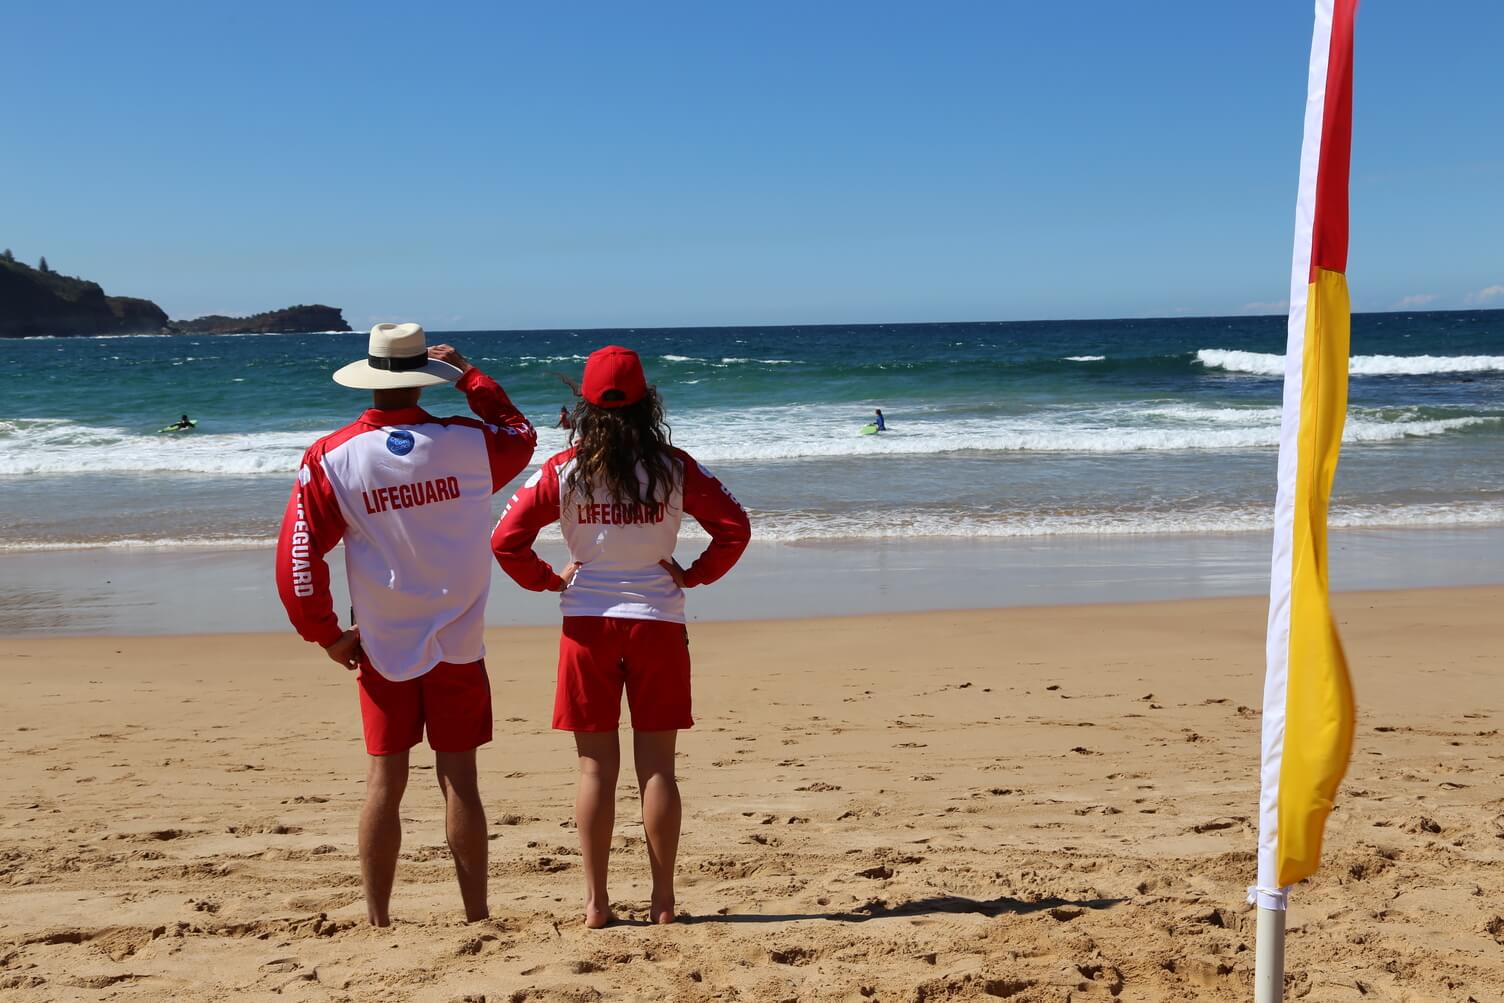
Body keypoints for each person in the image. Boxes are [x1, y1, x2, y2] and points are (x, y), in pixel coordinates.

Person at [275, 322, 536, 927]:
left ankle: (378, 917)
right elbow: (521, 435)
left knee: (384, 782)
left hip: (382, 641)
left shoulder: (333, 456)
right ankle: (476, 913)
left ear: (369, 378)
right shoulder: (470, 444)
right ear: (424, 377)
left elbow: (298, 554)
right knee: (460, 781)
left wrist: (326, 632)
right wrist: (471, 377)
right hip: (459, 638)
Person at [492, 345, 751, 929]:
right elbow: (735, 528)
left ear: (583, 404)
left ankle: (597, 904)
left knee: (593, 772)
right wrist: (694, 572)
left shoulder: (565, 470)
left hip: (587, 627)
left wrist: (545, 580)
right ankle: (663, 902)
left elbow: (505, 539)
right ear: (647, 401)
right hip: (658, 624)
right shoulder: (674, 466)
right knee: (658, 770)